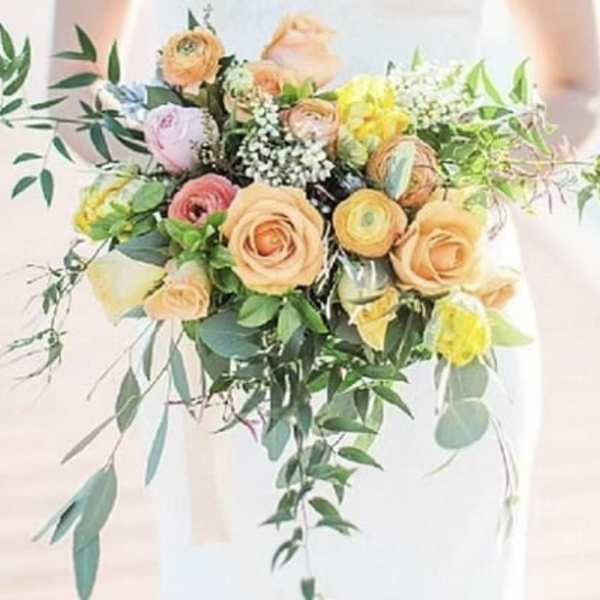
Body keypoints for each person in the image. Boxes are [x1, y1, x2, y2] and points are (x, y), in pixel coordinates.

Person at [48, 2, 600, 599]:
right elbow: (75, 87)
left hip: (439, 322)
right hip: (230, 336)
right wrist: (200, 180)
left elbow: (579, 87)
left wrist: (442, 194)